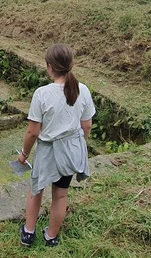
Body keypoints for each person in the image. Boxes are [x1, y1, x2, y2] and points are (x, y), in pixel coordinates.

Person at [17, 44, 94, 248]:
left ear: (50, 66)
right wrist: (79, 145)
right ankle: (51, 236)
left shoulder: (42, 94)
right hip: (70, 150)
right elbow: (86, 125)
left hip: (48, 152)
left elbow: (33, 132)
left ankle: (28, 233)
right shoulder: (82, 90)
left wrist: (24, 154)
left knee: (36, 190)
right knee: (60, 194)